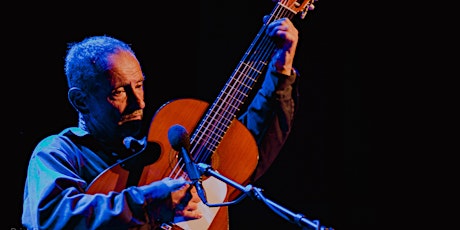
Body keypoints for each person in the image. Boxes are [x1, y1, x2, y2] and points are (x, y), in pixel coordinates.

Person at [21, 11, 309, 229]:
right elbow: (54, 216)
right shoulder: (59, 152)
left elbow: (243, 149)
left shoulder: (160, 145)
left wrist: (280, 71)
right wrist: (150, 202)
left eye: (140, 85)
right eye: (120, 91)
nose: (139, 102)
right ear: (80, 100)